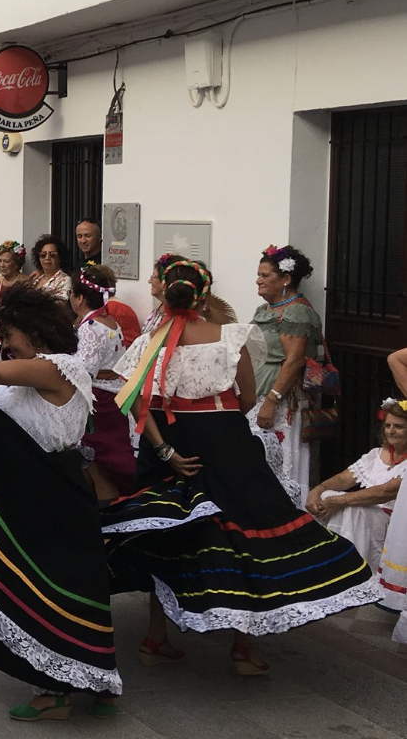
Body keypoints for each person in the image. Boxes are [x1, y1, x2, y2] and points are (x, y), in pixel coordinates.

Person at [105, 260, 379, 676]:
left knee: (167, 535)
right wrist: (219, 426)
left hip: (173, 446)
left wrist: (165, 453)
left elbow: (134, 403)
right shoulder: (232, 337)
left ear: (171, 293)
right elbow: (248, 397)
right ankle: (241, 645)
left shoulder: (151, 343)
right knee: (245, 533)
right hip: (226, 442)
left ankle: (154, 637)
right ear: (204, 294)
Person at [0, 284, 121, 722]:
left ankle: (53, 693)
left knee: (45, 583)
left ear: (33, 330)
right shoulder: (43, 369)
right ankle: (95, 683)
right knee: (70, 582)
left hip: (47, 491)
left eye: (9, 334)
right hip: (39, 489)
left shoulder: (58, 366)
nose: (4, 343)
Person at [249, 244, 324, 502]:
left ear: (286, 279)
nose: (258, 280)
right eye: (258, 274)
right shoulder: (265, 310)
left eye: (265, 275)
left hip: (281, 400)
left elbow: (293, 361)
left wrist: (271, 401)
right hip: (260, 393)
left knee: (283, 458)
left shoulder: (296, 312)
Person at [306, 400, 406, 573]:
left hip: (394, 524)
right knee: (327, 496)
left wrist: (341, 501)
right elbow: (345, 478)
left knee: (355, 510)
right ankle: (323, 562)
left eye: (398, 426)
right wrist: (318, 490)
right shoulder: (376, 455)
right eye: (388, 425)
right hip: (368, 519)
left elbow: (385, 492)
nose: (391, 430)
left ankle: (348, 569)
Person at [70, 264, 134, 500]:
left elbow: (84, 370)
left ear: (79, 298)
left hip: (99, 399)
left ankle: (108, 499)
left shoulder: (91, 327)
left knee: (99, 454)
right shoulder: (110, 322)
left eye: (71, 294)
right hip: (113, 393)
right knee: (111, 450)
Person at [29, 233, 71, 300]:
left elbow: (61, 305)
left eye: (52, 255)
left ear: (60, 258)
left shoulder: (65, 280)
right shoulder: (35, 279)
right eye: (43, 255)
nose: (47, 258)